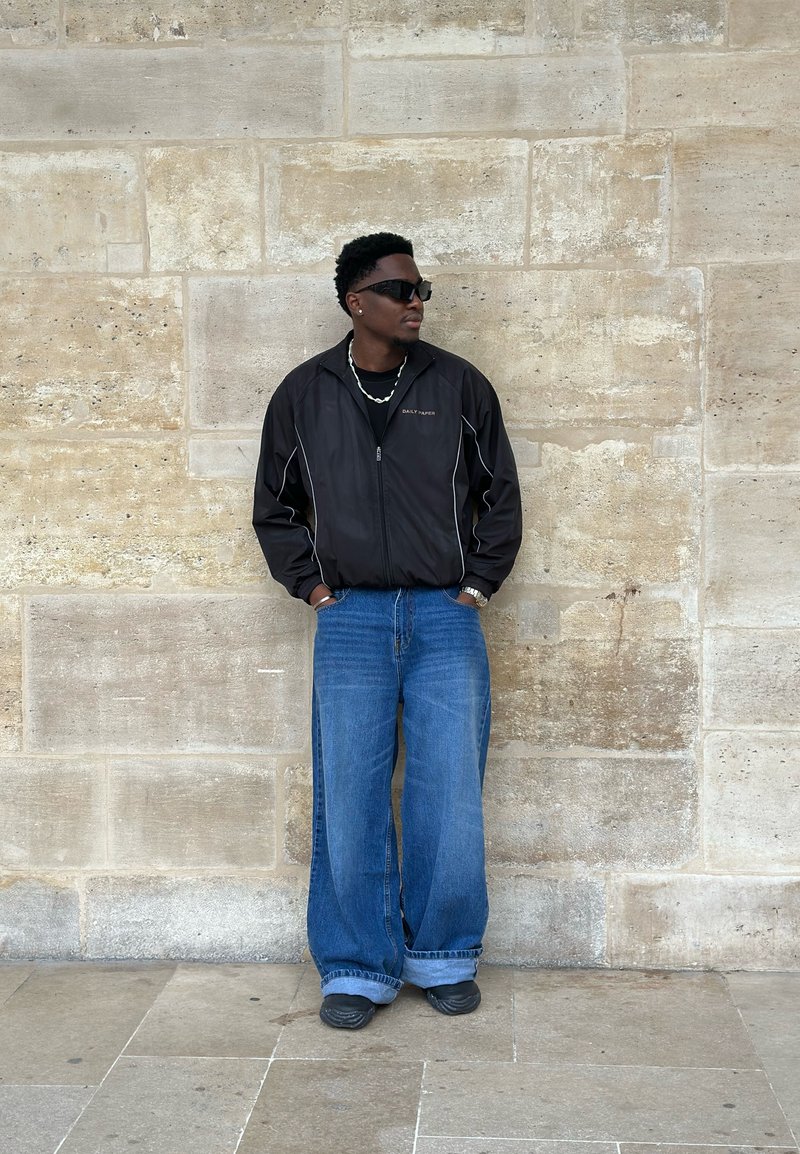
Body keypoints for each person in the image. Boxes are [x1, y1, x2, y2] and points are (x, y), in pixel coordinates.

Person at [253, 232, 522, 1030]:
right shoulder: (303, 394)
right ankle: (356, 965)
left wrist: (476, 584)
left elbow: (499, 493)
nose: (416, 303)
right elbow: (274, 504)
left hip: (445, 613)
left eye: (421, 290)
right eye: (401, 290)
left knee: (447, 792)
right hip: (352, 621)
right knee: (352, 792)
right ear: (356, 302)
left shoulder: (461, 386)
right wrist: (313, 585)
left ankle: (443, 954)